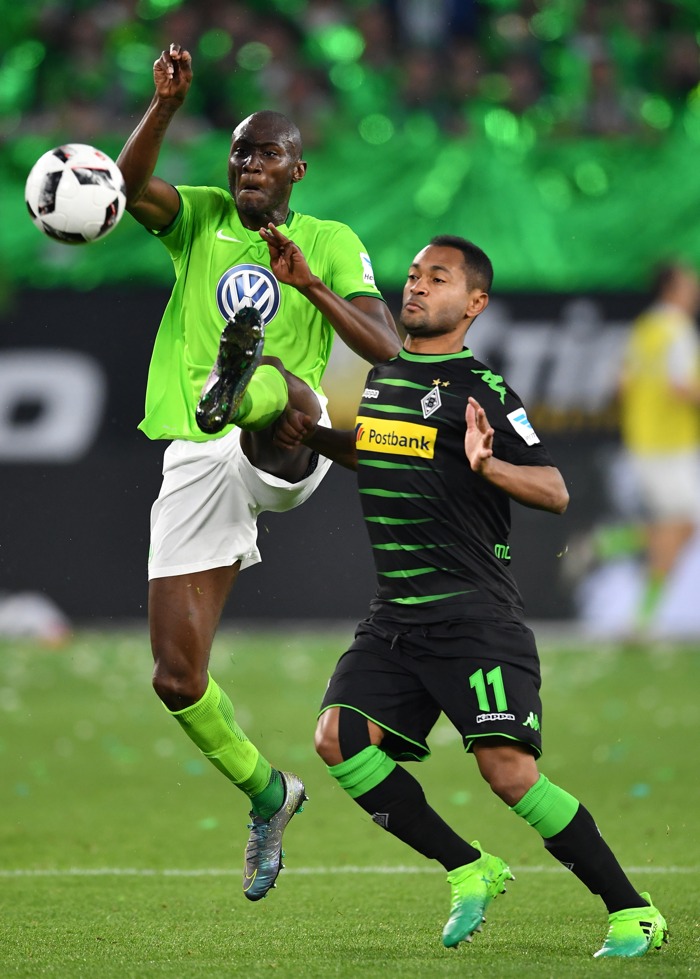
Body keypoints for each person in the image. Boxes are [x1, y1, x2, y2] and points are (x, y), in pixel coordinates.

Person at [276, 235, 669, 958]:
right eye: (415, 274)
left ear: (475, 303)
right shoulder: (385, 373)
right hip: (395, 616)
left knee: (509, 774)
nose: (418, 286)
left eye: (439, 278)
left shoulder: (482, 390)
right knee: (337, 737)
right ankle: (469, 865)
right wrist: (318, 436)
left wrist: (489, 466)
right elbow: (379, 448)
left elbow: (554, 489)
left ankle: (632, 909)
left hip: (473, 617)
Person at [115, 42, 401, 902]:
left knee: (283, 403)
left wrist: (310, 286)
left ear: (296, 169)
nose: (248, 163)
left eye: (266, 152)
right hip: (196, 452)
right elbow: (127, 191)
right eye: (240, 150)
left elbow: (385, 348)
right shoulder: (198, 217)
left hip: (286, 436)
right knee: (175, 676)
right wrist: (163, 105)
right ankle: (268, 794)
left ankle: (241, 383)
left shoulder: (327, 239)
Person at [619, 260, 700, 629]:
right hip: (671, 446)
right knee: (680, 525)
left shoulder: (645, 327)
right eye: (689, 283)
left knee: (676, 526)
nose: (695, 289)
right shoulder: (676, 329)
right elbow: (681, 386)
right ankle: (642, 618)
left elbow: (622, 384)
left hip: (644, 441)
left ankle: (603, 547)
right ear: (674, 289)